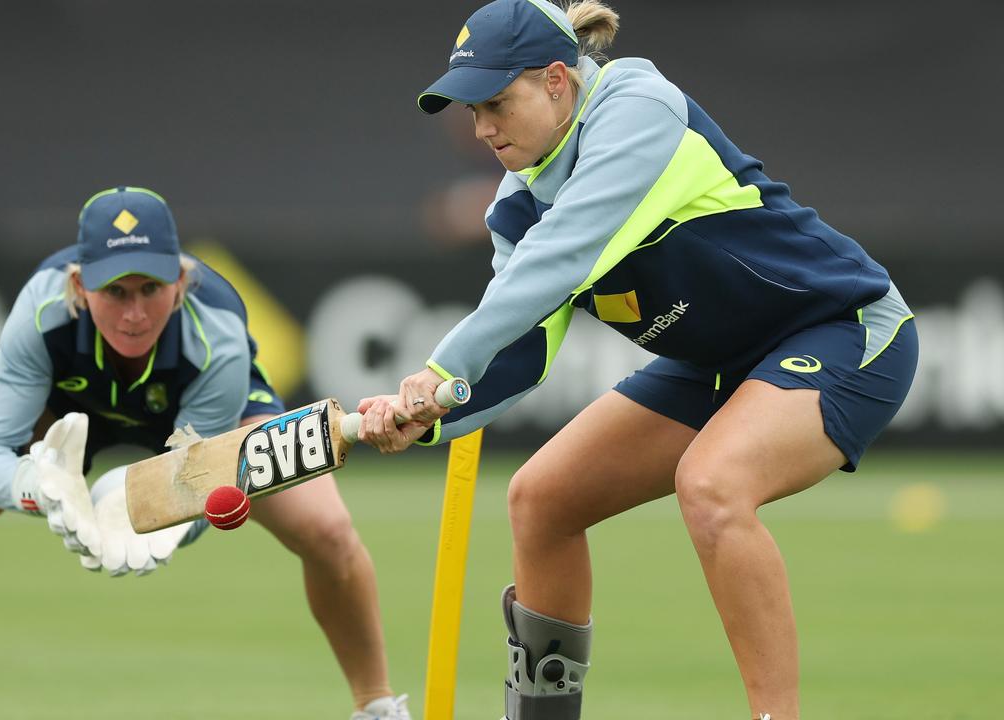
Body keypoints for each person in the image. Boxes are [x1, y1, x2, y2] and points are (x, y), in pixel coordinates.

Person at [353, 2, 918, 719]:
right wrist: (427, 414)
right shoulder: (515, 206)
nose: (483, 128)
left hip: (841, 329)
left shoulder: (637, 108)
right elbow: (521, 349)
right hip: (716, 365)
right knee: (541, 499)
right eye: (472, 111)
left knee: (711, 484)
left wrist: (438, 366)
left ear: (557, 80)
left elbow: (565, 254)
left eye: (497, 103)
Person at [0, 187, 410, 720]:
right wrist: (40, 489)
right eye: (114, 291)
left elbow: (193, 483)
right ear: (79, 285)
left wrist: (150, 528)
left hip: (200, 421)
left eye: (151, 289)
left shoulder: (219, 339)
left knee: (330, 530)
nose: (134, 313)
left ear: (181, 282)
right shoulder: (41, 316)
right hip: (61, 403)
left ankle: (377, 707)